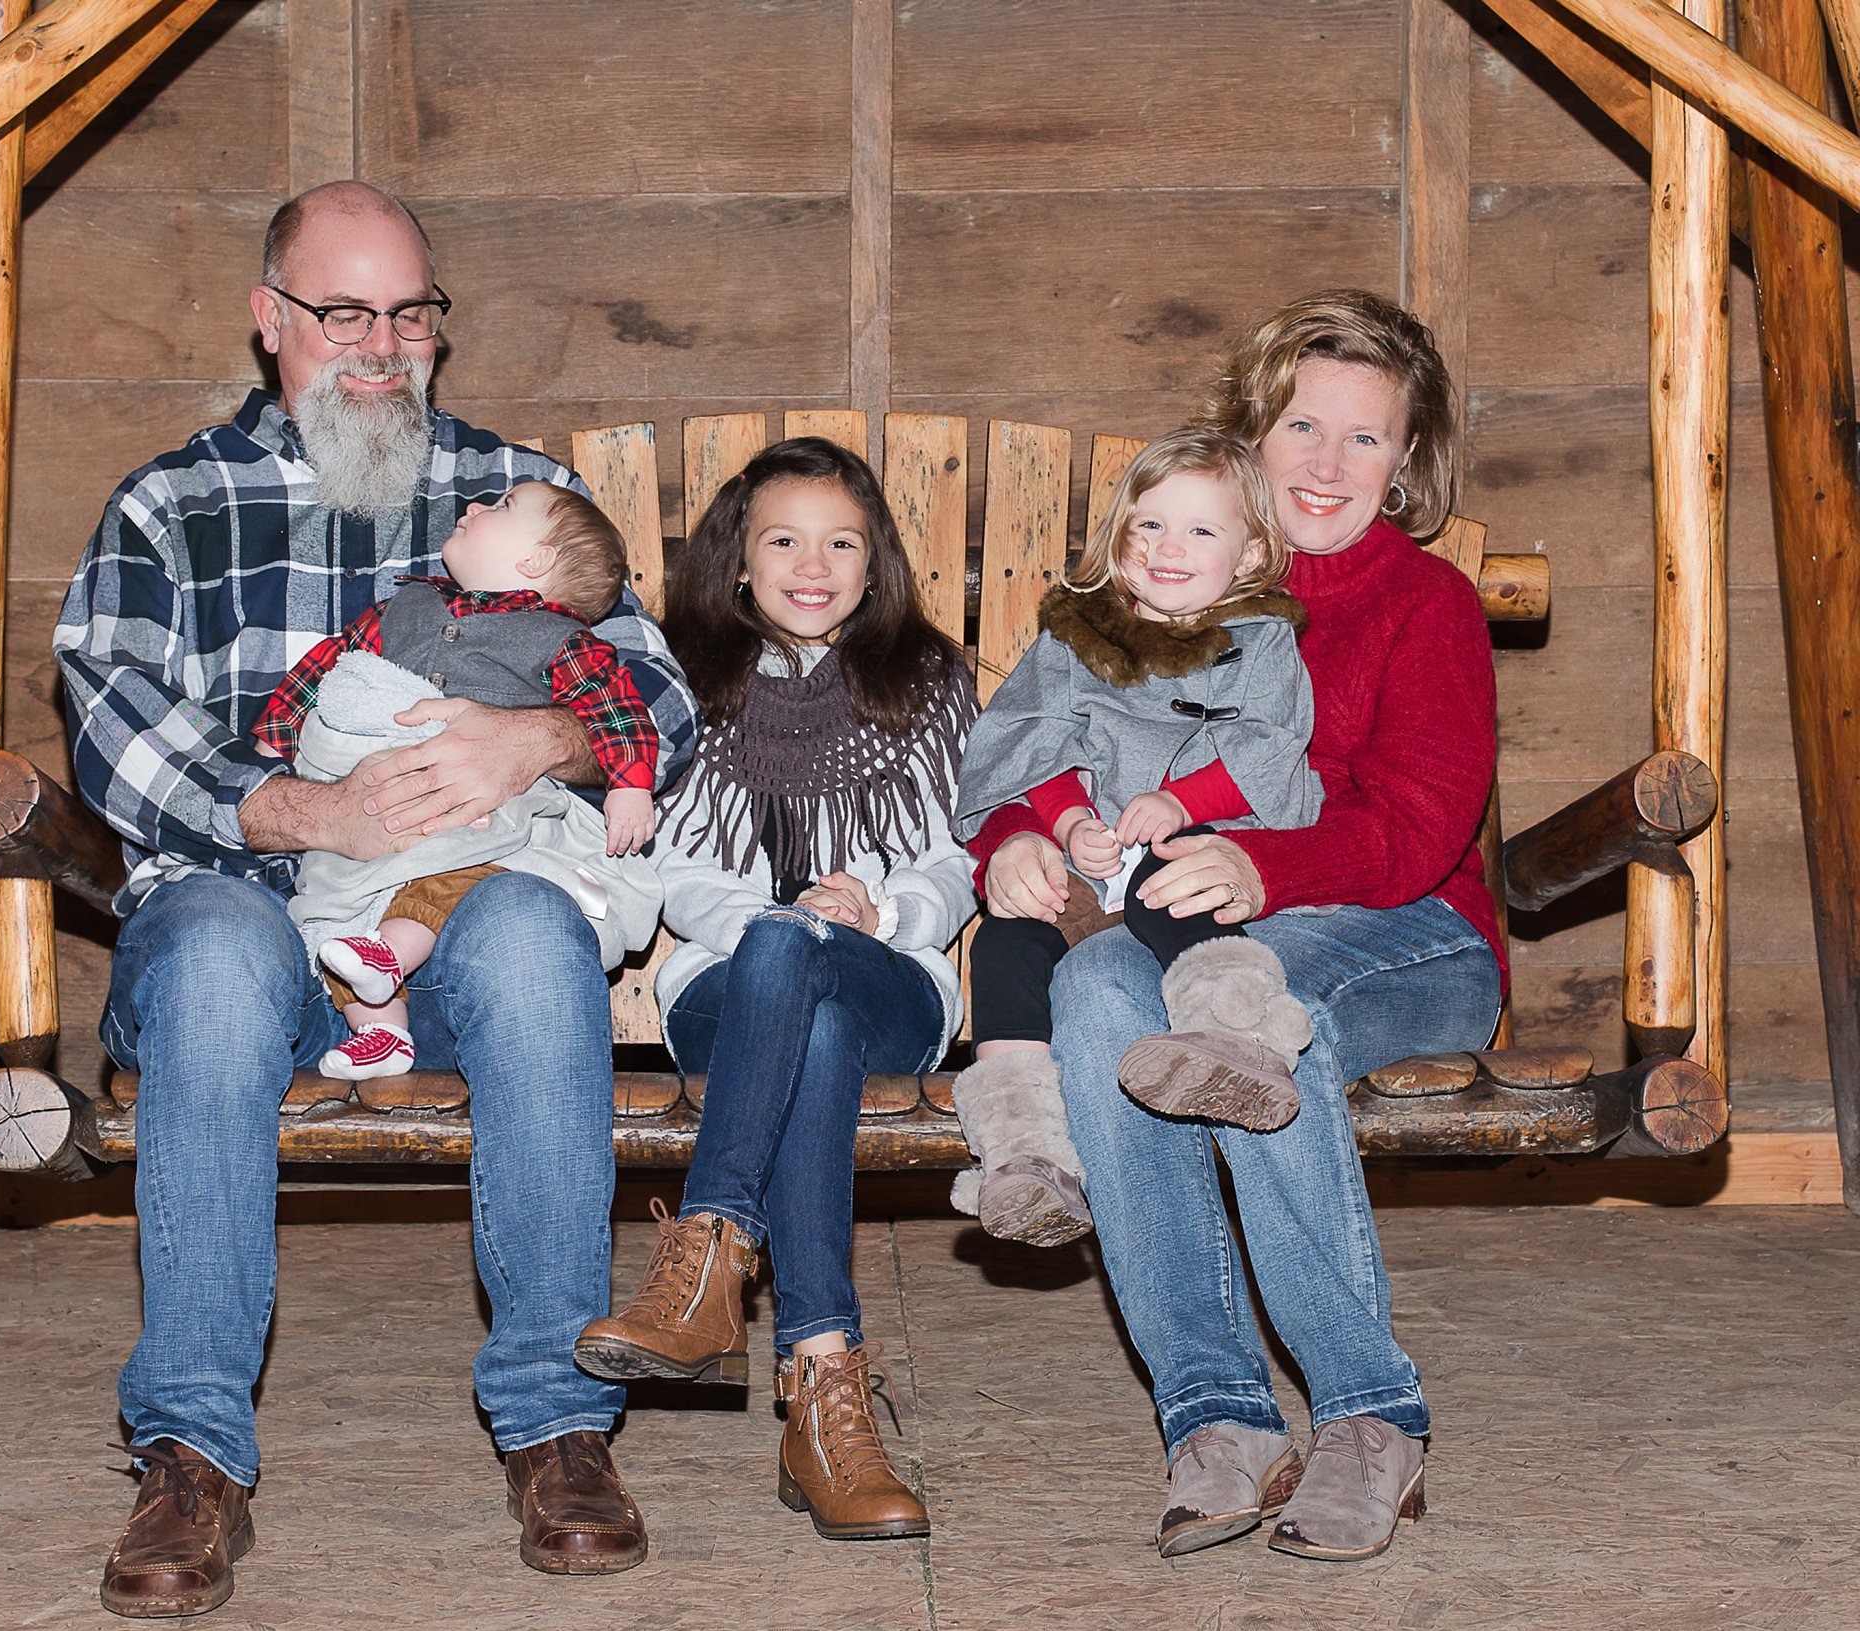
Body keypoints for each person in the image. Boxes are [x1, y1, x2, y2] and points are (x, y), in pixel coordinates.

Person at [56, 180, 696, 1616]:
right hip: (241, 888)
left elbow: (659, 696)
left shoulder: (518, 494)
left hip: (455, 904)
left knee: (536, 934)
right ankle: (192, 1451)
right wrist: (298, 806)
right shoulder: (173, 501)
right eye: (344, 312)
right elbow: (109, 710)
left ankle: (556, 1420)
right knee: (216, 962)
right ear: (271, 319)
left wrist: (545, 737)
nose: (380, 345)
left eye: (410, 313)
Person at [969, 289, 1503, 1563]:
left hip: (1405, 931)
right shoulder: (1164, 588)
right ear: (1245, 441)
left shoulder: (1421, 603)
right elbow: (1051, 744)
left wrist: (1259, 866)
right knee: (1097, 993)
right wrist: (1021, 842)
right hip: (1169, 918)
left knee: (1270, 1016)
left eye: (1364, 439)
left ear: (1407, 463)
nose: (1326, 465)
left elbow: (1422, 825)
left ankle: (1370, 1414)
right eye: (1299, 427)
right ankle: (1214, 1416)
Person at [570, 437, 977, 1543]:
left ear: (874, 560)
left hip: (890, 975)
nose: (814, 563)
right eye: (783, 540)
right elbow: (667, 870)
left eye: (842, 541)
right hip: (725, 991)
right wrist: (776, 926)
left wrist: (884, 911)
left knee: (822, 981)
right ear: (736, 563)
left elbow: (958, 853)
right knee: (795, 991)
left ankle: (708, 1260)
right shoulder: (684, 685)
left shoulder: (928, 680)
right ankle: (823, 1385)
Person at [946, 428, 1320, 1249]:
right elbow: (1024, 739)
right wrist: (1067, 819)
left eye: (1200, 531)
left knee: (1174, 873)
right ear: (1119, 539)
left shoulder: (1260, 643)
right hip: (1088, 860)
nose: (1168, 548)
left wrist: (1185, 802)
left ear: (1251, 554)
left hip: (1187, 848)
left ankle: (1232, 1037)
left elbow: (1271, 745)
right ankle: (1023, 1152)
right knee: (1006, 942)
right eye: (1148, 526)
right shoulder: (1075, 637)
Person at [251, 479, 661, 1081]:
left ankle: (388, 954)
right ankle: (382, 1028)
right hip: (373, 800)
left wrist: (629, 782)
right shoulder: (401, 609)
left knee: (456, 870)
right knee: (328, 898)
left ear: (536, 561)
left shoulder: (561, 639)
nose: (474, 507)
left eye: (501, 508)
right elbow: (333, 670)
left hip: (481, 818)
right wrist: (278, 738)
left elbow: (613, 706)